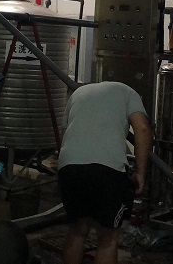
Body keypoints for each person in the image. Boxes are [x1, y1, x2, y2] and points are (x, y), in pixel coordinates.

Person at [58, 81, 152, 264]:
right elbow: (142, 128)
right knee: (107, 236)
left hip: (70, 166)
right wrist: (141, 172)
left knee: (78, 229)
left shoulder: (78, 93)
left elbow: (65, 133)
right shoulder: (128, 92)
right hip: (107, 168)